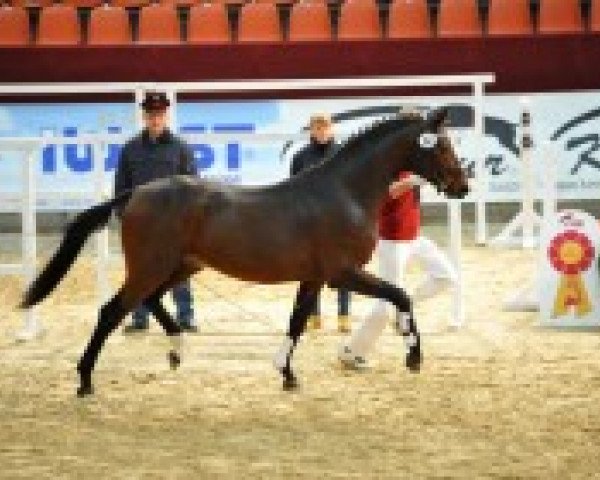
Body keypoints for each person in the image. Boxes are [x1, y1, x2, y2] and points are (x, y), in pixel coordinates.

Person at [338, 170, 458, 367]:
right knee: (385, 305)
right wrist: (417, 179)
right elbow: (392, 191)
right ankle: (352, 351)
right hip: (392, 243)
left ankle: (403, 306)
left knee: (446, 276)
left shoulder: (411, 165)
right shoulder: (386, 167)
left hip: (415, 237)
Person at [115, 90, 198, 333]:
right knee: (140, 271)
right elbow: (121, 187)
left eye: (159, 114)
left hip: (175, 224)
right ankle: (140, 318)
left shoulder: (181, 148)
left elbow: (194, 186)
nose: (155, 119)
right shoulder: (130, 149)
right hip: (142, 224)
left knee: (179, 270)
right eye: (151, 114)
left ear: (166, 116)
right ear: (144, 116)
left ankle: (185, 315)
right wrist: (125, 216)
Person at [290, 112, 352, 333]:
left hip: (338, 222)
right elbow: (293, 190)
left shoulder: (343, 154)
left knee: (344, 268)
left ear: (332, 128)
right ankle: (313, 315)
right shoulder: (300, 157)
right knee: (310, 270)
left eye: (325, 127)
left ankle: (344, 315)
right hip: (310, 224)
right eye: (317, 127)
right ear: (311, 130)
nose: (322, 131)